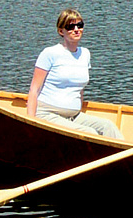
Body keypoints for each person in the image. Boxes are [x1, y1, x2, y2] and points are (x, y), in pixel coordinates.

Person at [26, 9, 122, 139]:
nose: (76, 30)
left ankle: (125, 152)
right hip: (47, 113)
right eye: (70, 27)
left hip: (73, 116)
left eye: (79, 25)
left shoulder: (85, 54)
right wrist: (31, 122)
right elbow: (34, 89)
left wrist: (76, 108)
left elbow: (79, 88)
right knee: (91, 133)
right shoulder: (50, 53)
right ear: (61, 31)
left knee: (108, 126)